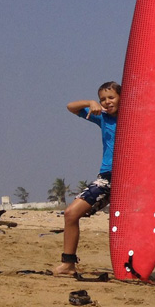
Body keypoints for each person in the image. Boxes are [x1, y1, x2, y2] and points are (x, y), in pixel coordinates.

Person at [53, 81, 121, 276]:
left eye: (111, 97)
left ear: (121, 98)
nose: (107, 102)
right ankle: (68, 263)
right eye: (103, 99)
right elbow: (70, 107)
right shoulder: (103, 118)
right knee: (71, 214)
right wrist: (90, 102)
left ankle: (136, 264)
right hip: (106, 177)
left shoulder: (134, 118)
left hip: (131, 178)